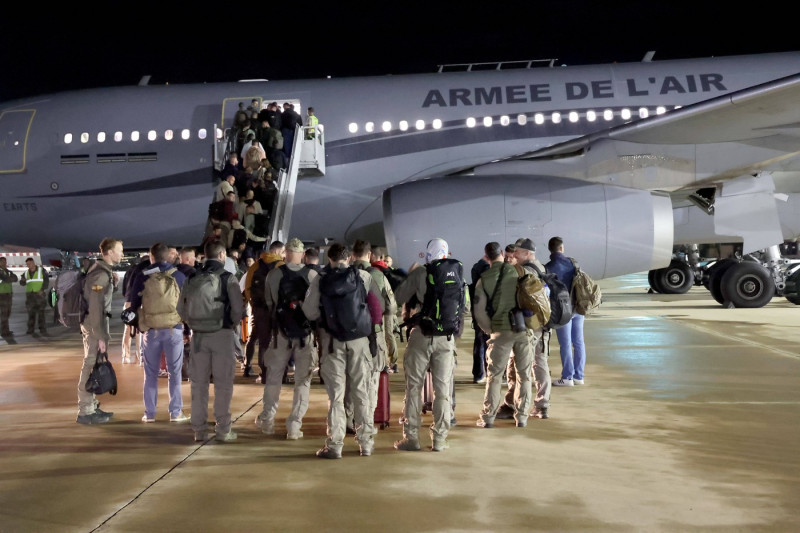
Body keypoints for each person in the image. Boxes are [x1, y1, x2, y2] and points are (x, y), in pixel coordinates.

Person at [302, 242, 381, 458]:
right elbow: (377, 308)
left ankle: (335, 445)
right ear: (348, 258)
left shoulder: (320, 279)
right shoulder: (363, 277)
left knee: (336, 396)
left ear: (329, 259)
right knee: (361, 392)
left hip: (331, 342)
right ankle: (366, 443)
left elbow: (308, 311)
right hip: (359, 342)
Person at [393, 238, 464, 452]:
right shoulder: (456, 273)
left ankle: (411, 438)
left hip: (422, 336)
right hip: (446, 339)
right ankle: (440, 439)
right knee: (442, 390)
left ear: (428, 253)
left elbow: (397, 297)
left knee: (414, 388)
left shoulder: (421, 272)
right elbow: (463, 305)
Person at [178, 241, 244, 442]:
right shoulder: (227, 278)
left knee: (198, 384)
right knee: (223, 385)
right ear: (222, 255)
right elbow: (237, 310)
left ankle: (199, 430)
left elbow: (181, 309)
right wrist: (230, 324)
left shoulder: (192, 278)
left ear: (204, 256)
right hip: (222, 334)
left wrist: (193, 324)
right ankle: (223, 430)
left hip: (199, 337)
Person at [254, 238, 318, 439]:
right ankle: (294, 425)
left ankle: (268, 420)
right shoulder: (313, 275)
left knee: (273, 378)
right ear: (301, 254)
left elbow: (270, 302)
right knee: (302, 382)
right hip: (305, 335)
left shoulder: (274, 275)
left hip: (279, 333)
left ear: (286, 253)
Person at [473, 241, 534, 428]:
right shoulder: (518, 272)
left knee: (494, 376)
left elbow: (479, 311)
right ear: (501, 252)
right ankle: (522, 416)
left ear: (486, 257)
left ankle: (488, 417)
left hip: (500, 331)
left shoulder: (483, 279)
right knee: (524, 375)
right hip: (522, 329)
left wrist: (490, 329)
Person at [128, 243, 188, 423]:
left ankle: (150, 413)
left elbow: (133, 304)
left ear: (151, 256)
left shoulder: (143, 275)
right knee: (175, 372)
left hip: (151, 330)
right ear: (168, 256)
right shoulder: (178, 275)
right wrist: (188, 330)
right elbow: (185, 305)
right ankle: (176, 412)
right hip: (173, 329)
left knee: (151, 373)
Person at [76, 238, 123, 424]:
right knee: (89, 366)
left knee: (94, 365)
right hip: (95, 325)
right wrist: (101, 335)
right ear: (109, 252)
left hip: (95, 323)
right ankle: (85, 411)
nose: (122, 253)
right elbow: (95, 306)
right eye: (119, 250)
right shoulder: (101, 275)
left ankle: (92, 405)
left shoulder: (103, 272)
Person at [350, 240, 393, 428]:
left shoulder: (345, 274)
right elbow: (390, 306)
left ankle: (350, 421)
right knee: (372, 380)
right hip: (374, 333)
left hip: (351, 336)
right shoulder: (378, 276)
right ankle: (367, 423)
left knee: (351, 380)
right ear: (370, 255)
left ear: (352, 255)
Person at [511, 237, 551, 419]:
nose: (515, 255)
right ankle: (543, 406)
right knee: (540, 362)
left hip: (529, 324)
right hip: (542, 322)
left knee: (522, 365)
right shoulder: (541, 268)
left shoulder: (525, 271)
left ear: (527, 253)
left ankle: (519, 406)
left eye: (518, 252)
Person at [545, 236, 587, 387]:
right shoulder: (573, 263)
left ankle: (567, 377)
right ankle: (579, 376)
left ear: (550, 249)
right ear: (562, 248)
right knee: (579, 342)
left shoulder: (548, 267)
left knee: (565, 344)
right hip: (578, 307)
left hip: (563, 310)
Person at [243, 241, 285, 379]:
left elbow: (248, 287)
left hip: (259, 308)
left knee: (260, 339)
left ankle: (254, 367)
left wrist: (253, 304)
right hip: (275, 309)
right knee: (275, 340)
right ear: (278, 252)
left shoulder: (255, 265)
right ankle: (271, 372)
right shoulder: (281, 266)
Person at [470, 253, 491, 384]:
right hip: (487, 311)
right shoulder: (488, 271)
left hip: (477, 310)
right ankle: (487, 372)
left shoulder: (475, 269)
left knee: (479, 342)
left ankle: (478, 374)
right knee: (488, 342)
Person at [19, 257, 49, 336]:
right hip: (30, 297)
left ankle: (42, 329)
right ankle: (30, 329)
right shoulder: (25, 273)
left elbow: (46, 281)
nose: (29, 265)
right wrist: (22, 281)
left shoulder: (42, 270)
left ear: (33, 263)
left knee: (41, 313)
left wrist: (42, 289)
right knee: (31, 314)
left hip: (40, 295)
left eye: (30, 263)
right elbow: (22, 283)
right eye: (27, 264)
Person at [0, 257, 19, 337]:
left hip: (8, 294)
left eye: (5, 261)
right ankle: (4, 331)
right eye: (2, 262)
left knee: (8, 313)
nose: (4, 263)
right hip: (2, 295)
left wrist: (10, 278)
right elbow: (6, 279)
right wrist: (10, 278)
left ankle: (5, 330)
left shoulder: (7, 271)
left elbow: (16, 278)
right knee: (4, 314)